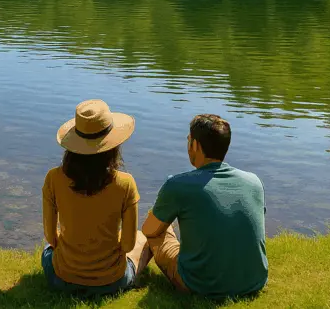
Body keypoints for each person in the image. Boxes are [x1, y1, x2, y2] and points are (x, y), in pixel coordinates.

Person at [142, 114, 268, 302]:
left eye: (188, 140)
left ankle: (129, 275)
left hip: (200, 284)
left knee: (157, 229)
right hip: (254, 281)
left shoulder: (178, 184)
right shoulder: (254, 182)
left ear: (195, 145)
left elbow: (149, 230)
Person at [41, 99, 151, 297]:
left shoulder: (53, 178)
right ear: (112, 144)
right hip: (112, 282)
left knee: (47, 251)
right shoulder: (126, 183)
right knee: (144, 238)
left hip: (61, 279)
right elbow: (127, 245)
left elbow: (51, 238)